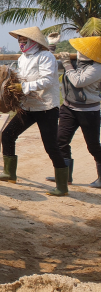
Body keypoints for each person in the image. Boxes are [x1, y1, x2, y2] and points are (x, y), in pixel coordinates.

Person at [0, 26, 69, 196]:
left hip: (46, 107)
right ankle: (9, 173)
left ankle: (62, 186)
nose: (21, 43)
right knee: (8, 134)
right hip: (28, 106)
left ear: (33, 41)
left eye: (23, 40)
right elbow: (20, 76)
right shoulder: (22, 58)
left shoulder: (46, 57)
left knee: (51, 146)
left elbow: (47, 80)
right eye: (19, 40)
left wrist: (24, 86)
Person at [54, 36, 101, 189]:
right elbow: (52, 66)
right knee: (61, 140)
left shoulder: (97, 68)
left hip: (88, 111)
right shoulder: (75, 62)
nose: (78, 51)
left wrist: (67, 64)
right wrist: (51, 47)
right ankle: (65, 175)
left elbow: (78, 81)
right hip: (68, 108)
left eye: (82, 49)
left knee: (93, 146)